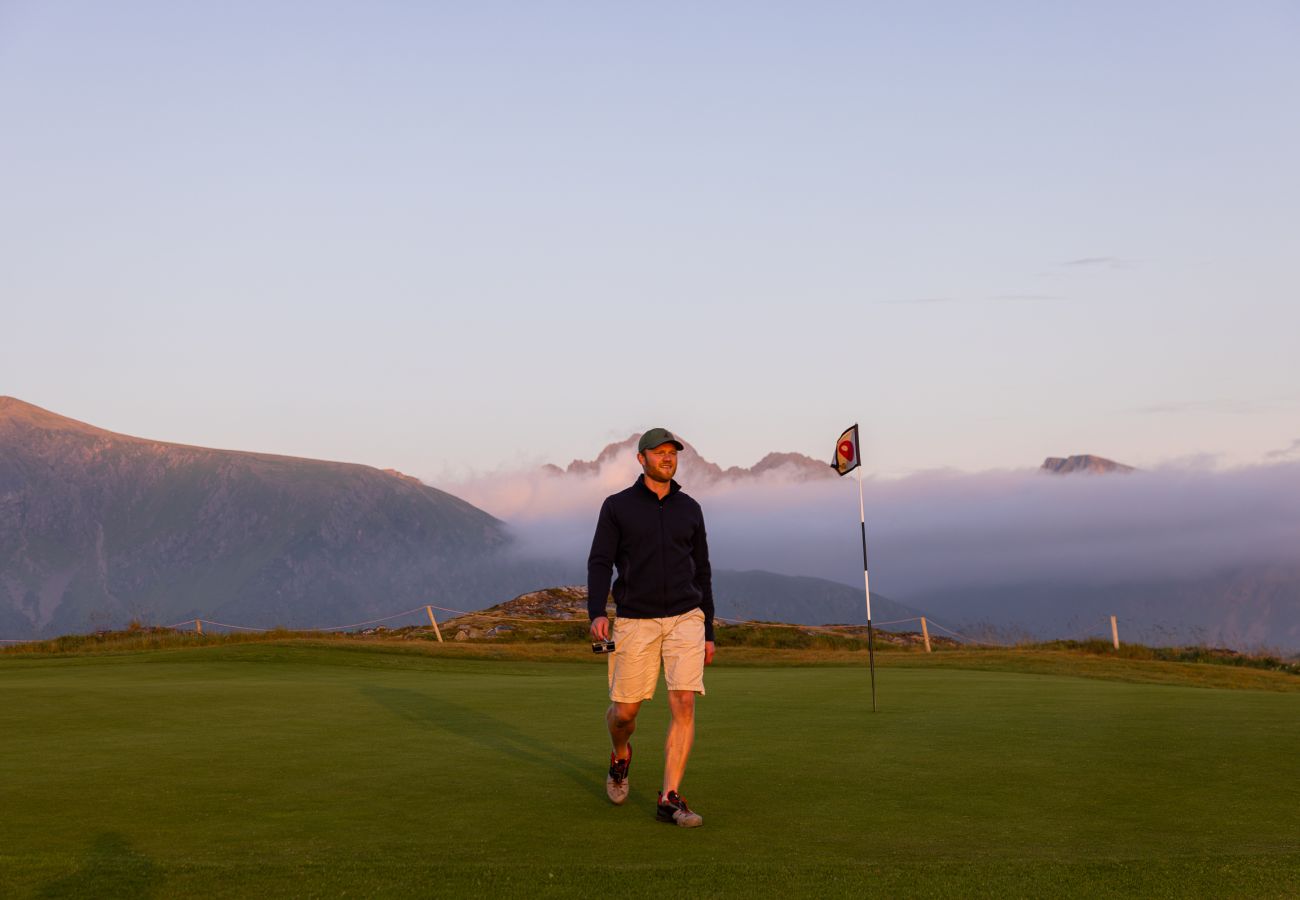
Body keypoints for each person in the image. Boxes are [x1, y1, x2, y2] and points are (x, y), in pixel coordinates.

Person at [588, 427, 715, 828]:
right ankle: (620, 756)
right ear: (641, 458)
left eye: (672, 453)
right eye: (659, 452)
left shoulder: (690, 508)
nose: (667, 458)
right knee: (625, 713)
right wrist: (596, 610)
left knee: (684, 704)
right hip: (635, 619)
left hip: (685, 616)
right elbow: (600, 562)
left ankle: (668, 797)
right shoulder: (617, 506)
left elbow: (703, 570)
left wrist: (708, 629)